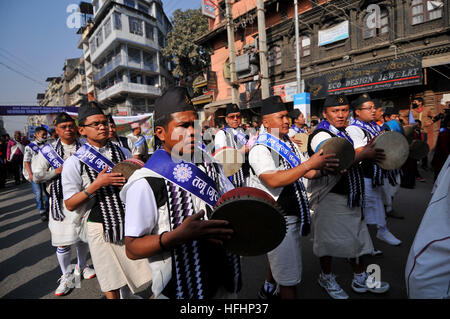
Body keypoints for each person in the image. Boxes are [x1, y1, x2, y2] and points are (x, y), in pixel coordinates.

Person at [122, 87, 242, 299]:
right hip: (179, 287)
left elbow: (229, 200)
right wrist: (175, 237)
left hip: (222, 276)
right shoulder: (147, 181)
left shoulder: (209, 162)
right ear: (160, 132)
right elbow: (132, 248)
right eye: (183, 126)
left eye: (194, 123)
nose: (193, 130)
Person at [249, 95, 337, 299]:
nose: (286, 120)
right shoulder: (260, 148)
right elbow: (273, 180)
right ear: (266, 122)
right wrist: (309, 164)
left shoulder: (289, 143)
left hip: (292, 212)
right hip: (277, 218)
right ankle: (273, 288)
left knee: (282, 261)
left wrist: (325, 169)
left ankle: (268, 288)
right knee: (289, 279)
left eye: (286, 116)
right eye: (280, 117)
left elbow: (307, 172)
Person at [62, 102, 152, 299]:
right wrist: (96, 185)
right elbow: (69, 204)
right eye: (95, 124)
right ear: (82, 130)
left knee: (134, 269)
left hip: (127, 220)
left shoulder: (124, 153)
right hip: (99, 224)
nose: (102, 126)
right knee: (109, 275)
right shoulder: (74, 162)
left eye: (104, 122)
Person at [308, 95, 389, 299]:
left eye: (344, 110)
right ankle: (326, 276)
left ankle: (360, 275)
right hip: (330, 196)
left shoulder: (344, 132)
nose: (342, 114)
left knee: (358, 238)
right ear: (325, 114)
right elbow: (336, 161)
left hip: (352, 193)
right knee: (327, 241)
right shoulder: (320, 134)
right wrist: (363, 154)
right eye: (336, 111)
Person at [33, 113, 96, 296]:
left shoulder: (86, 147)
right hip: (59, 204)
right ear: (57, 130)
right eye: (64, 127)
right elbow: (35, 176)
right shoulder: (47, 151)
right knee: (64, 242)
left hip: (84, 199)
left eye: (71, 126)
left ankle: (82, 267)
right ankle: (67, 276)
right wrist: (56, 171)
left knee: (83, 238)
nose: (68, 129)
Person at [346, 93, 402, 246]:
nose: (373, 111)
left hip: (375, 174)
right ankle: (366, 242)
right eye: (368, 108)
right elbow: (359, 151)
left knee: (375, 205)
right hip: (364, 174)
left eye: (373, 108)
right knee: (365, 209)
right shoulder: (354, 129)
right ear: (358, 111)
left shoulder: (373, 126)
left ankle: (378, 234)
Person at [214, 103, 252, 187]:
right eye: (232, 117)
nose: (235, 119)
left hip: (248, 175)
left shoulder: (244, 132)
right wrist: (240, 151)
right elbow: (220, 157)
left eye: (238, 116)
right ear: (226, 119)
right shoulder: (222, 134)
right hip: (232, 178)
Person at [23, 126, 50, 221]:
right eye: (43, 134)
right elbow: (26, 162)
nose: (45, 136)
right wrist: (30, 174)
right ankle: (42, 211)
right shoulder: (29, 147)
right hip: (35, 174)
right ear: (36, 135)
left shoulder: (47, 145)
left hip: (46, 174)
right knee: (38, 194)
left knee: (47, 193)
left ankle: (47, 209)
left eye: (46, 134)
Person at [431, 113, 450, 181]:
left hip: (444, 156)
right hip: (442, 157)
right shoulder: (444, 132)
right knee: (440, 174)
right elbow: (443, 146)